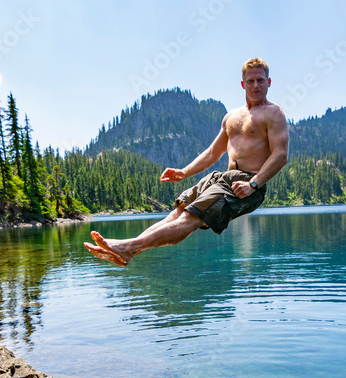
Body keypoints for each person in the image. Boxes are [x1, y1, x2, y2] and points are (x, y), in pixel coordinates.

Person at [84, 57, 289, 266]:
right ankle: (130, 251)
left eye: (261, 80)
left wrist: (253, 184)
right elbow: (212, 153)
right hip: (222, 178)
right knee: (178, 212)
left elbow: (280, 155)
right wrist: (184, 172)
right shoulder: (231, 117)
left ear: (269, 82)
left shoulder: (273, 113)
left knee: (190, 218)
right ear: (243, 84)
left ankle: (127, 247)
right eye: (251, 81)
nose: (256, 85)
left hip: (246, 183)